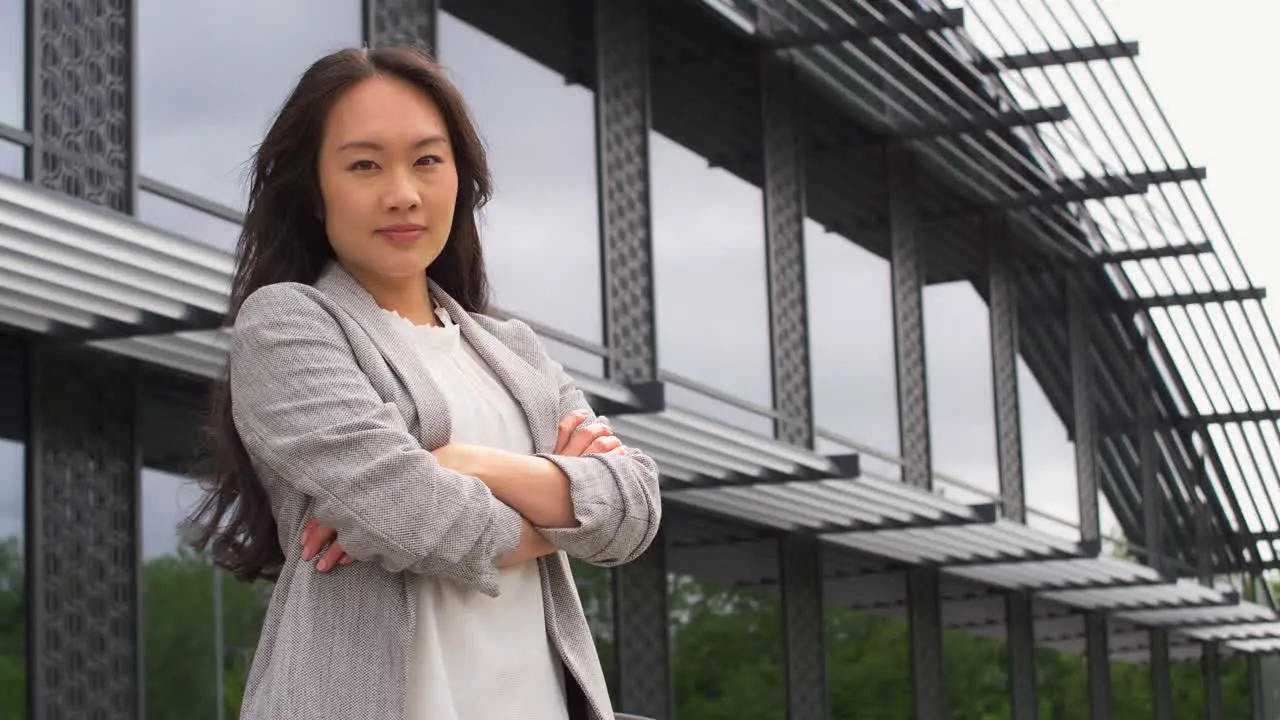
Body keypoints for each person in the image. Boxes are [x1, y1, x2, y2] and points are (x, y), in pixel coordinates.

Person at [186, 44, 662, 720]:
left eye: (427, 161)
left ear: (459, 178)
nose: (402, 193)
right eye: (364, 165)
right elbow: (426, 521)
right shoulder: (288, 324)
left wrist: (461, 462)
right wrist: (566, 511)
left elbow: (635, 507)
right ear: (314, 192)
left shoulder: (512, 348)